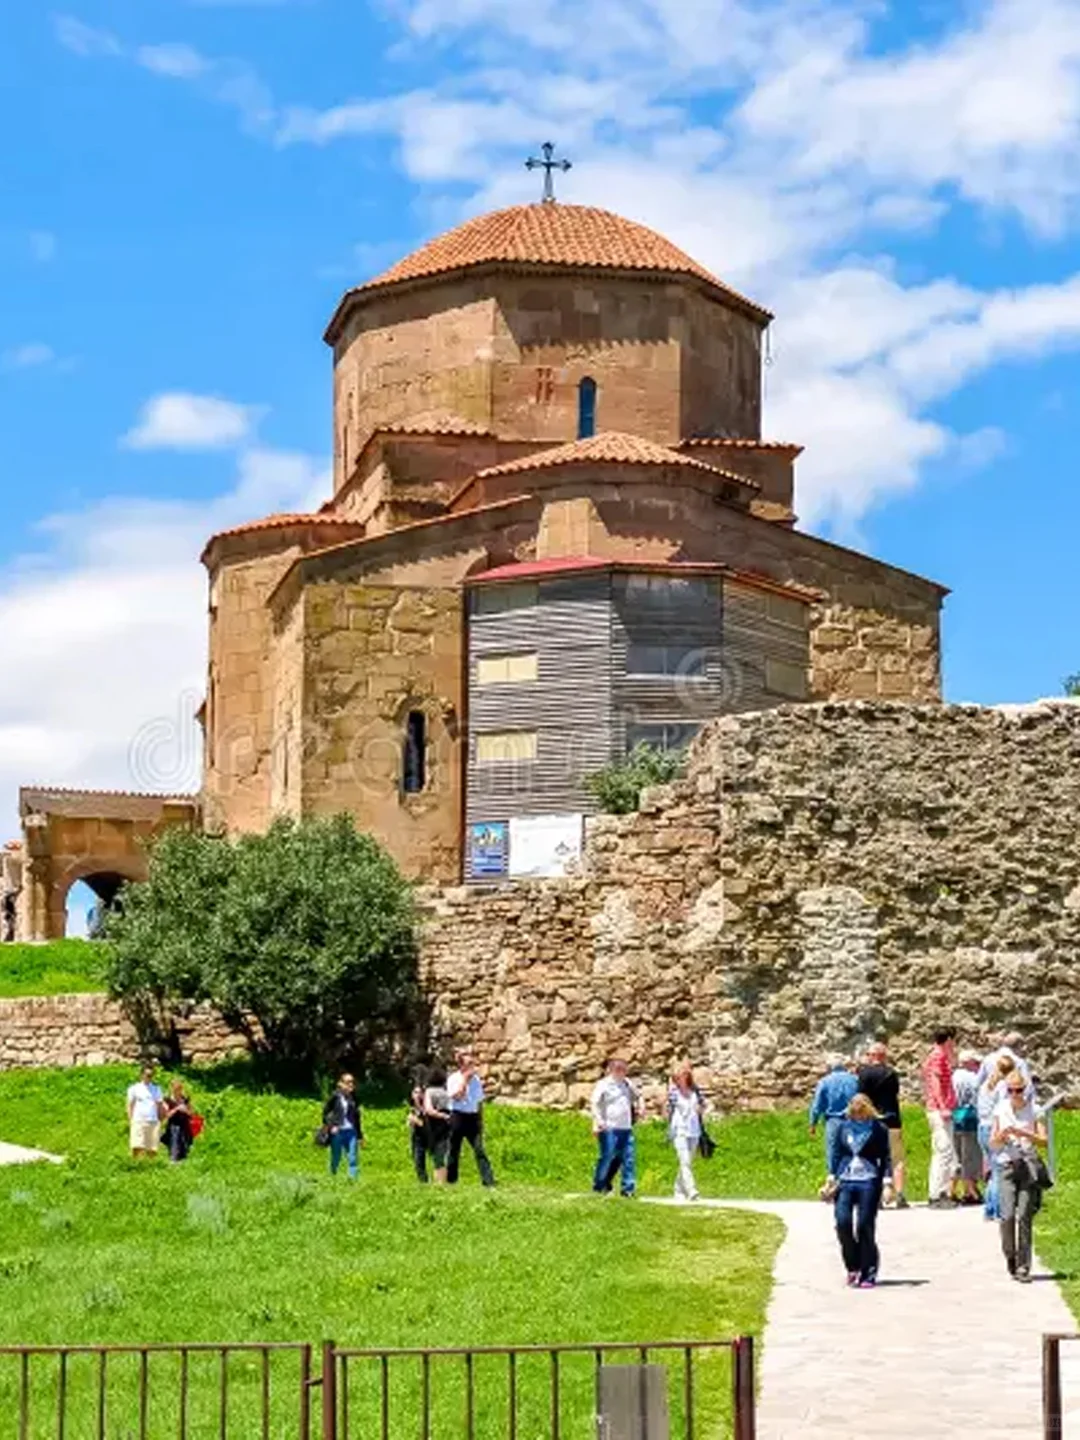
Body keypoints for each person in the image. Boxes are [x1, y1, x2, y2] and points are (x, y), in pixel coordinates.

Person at [827, 1093, 893, 1288]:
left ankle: (868, 1271)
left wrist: (887, 1183)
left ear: (868, 1111)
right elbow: (836, 1153)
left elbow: (886, 1156)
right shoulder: (843, 1127)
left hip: (868, 1181)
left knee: (864, 1226)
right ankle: (853, 1266)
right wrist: (831, 1177)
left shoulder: (878, 1129)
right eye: (855, 1114)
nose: (858, 1117)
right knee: (843, 1223)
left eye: (861, 1113)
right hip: (845, 1181)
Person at [990, 1068, 1049, 1282]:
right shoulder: (1000, 1109)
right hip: (1006, 1165)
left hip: (1027, 1166)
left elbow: (1044, 1141)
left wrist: (1025, 1133)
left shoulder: (1034, 1110)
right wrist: (1001, 1136)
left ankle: (1024, 1266)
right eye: (1011, 1090)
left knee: (1024, 1215)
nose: (1015, 1094)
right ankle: (1010, 1256)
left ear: (1025, 1090)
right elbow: (992, 1143)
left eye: (1019, 1090)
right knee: (1007, 1215)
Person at [856, 1041, 908, 1208]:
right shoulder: (892, 1073)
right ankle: (899, 1195)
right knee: (897, 1158)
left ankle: (876, 1196)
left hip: (871, 1121)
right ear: (883, 1056)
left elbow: (861, 1098)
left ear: (872, 1056)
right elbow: (895, 1093)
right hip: (892, 1120)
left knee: (872, 1157)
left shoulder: (864, 1074)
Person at [591, 1058, 640, 1198]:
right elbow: (594, 1103)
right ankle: (599, 1185)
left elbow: (638, 1096)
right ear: (612, 1070)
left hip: (626, 1127)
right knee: (607, 1156)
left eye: (624, 1069)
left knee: (628, 1158)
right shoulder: (604, 1084)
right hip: (609, 1127)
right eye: (619, 1069)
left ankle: (628, 1189)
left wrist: (641, 1106)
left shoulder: (627, 1083)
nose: (622, 1072)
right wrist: (598, 1121)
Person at [446, 1050, 496, 1187]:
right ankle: (451, 1180)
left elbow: (479, 1101)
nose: (472, 1067)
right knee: (454, 1150)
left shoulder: (477, 1080)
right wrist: (464, 1081)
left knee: (479, 1149)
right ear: (461, 1065)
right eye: (469, 1064)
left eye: (472, 1063)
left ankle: (489, 1181)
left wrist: (481, 1120)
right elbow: (456, 1097)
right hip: (457, 1116)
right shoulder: (453, 1079)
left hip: (472, 1118)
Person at [978, 1053, 1017, 1221]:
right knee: (999, 1170)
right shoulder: (1002, 1086)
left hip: (981, 1127)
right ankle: (997, 1210)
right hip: (994, 1128)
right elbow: (1003, 1109)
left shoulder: (985, 1084)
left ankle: (989, 1208)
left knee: (992, 1169)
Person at [922, 1027, 959, 1208]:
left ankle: (938, 1192)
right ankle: (937, 1194)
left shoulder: (935, 1055)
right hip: (939, 1110)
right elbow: (936, 1082)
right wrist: (943, 1106)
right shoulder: (938, 1056)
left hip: (937, 1109)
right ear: (949, 1040)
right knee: (944, 1152)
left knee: (943, 1151)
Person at [808, 1056, 858, 1168]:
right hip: (853, 1119)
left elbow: (817, 1105)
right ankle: (853, 1174)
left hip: (833, 1120)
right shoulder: (854, 1080)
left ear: (829, 1067)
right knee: (852, 1149)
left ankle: (833, 1175)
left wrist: (813, 1123)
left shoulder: (825, 1081)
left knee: (833, 1151)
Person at [667, 1064, 706, 1202]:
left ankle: (678, 1189)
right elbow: (667, 1110)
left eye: (682, 1075)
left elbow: (704, 1105)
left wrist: (700, 1109)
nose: (680, 1079)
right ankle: (692, 1191)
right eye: (677, 1077)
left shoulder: (695, 1091)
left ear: (687, 1076)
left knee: (688, 1161)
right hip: (679, 1130)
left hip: (694, 1130)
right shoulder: (674, 1093)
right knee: (684, 1160)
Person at [951, 1050, 982, 1205]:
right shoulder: (973, 1078)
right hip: (970, 1118)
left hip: (955, 1117)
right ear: (969, 1062)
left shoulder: (953, 1076)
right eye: (976, 1063)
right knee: (970, 1156)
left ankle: (951, 1190)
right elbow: (977, 1099)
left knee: (957, 1155)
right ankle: (971, 1191)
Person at [323, 1073, 363, 1180]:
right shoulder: (335, 1097)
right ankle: (332, 1176)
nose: (351, 1084)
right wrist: (331, 1126)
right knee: (336, 1156)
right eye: (348, 1082)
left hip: (351, 1132)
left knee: (353, 1157)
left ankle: (353, 1179)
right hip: (338, 1132)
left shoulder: (354, 1098)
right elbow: (326, 1113)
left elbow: (357, 1117)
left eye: (352, 1082)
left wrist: (360, 1136)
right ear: (340, 1084)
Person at [126, 1062, 165, 1159]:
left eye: (151, 1075)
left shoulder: (156, 1089)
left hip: (153, 1121)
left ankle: (150, 1166)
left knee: (152, 1148)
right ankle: (136, 1164)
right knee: (137, 1146)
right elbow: (130, 1105)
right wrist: (131, 1120)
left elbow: (160, 1105)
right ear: (142, 1075)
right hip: (138, 1120)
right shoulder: (134, 1088)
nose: (149, 1077)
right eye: (147, 1075)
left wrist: (160, 1120)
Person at [423, 1067, 453, 1185]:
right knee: (444, 1151)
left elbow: (429, 1109)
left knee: (437, 1154)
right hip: (448, 1123)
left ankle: (440, 1182)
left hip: (434, 1124)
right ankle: (444, 1180)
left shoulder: (429, 1091)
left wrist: (441, 1115)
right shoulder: (447, 1092)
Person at [162, 1078, 194, 1164]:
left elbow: (191, 1113)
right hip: (174, 1125)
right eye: (176, 1089)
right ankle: (173, 1160)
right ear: (172, 1089)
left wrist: (186, 1110)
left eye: (179, 1089)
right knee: (174, 1141)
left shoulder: (185, 1099)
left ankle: (183, 1161)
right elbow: (166, 1115)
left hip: (184, 1124)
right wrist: (176, 1109)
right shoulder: (167, 1099)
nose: (178, 1091)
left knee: (184, 1143)